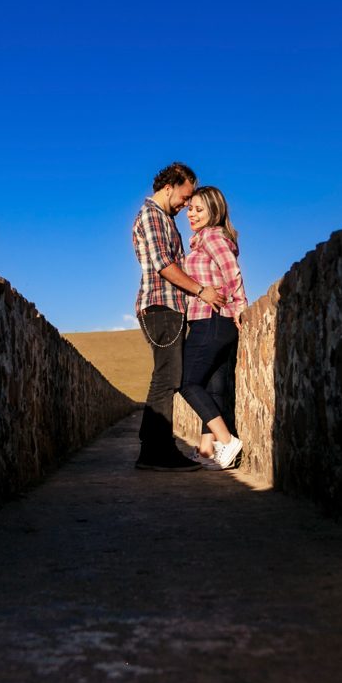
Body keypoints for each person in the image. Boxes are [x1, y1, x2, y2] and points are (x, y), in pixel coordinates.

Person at [131, 162, 223, 471]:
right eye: (184, 198)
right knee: (167, 377)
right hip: (161, 306)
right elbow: (164, 266)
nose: (186, 206)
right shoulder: (152, 216)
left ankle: (152, 450)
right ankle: (157, 451)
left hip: (166, 307)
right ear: (169, 186)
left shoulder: (162, 217)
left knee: (166, 375)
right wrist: (202, 291)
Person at [180, 185, 247, 470]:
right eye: (190, 209)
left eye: (199, 209)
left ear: (215, 212)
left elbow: (231, 271)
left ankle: (226, 440)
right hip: (216, 322)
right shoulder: (204, 239)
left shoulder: (211, 236)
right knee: (212, 387)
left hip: (210, 319)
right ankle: (208, 450)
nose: (191, 214)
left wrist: (241, 305)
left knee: (188, 383)